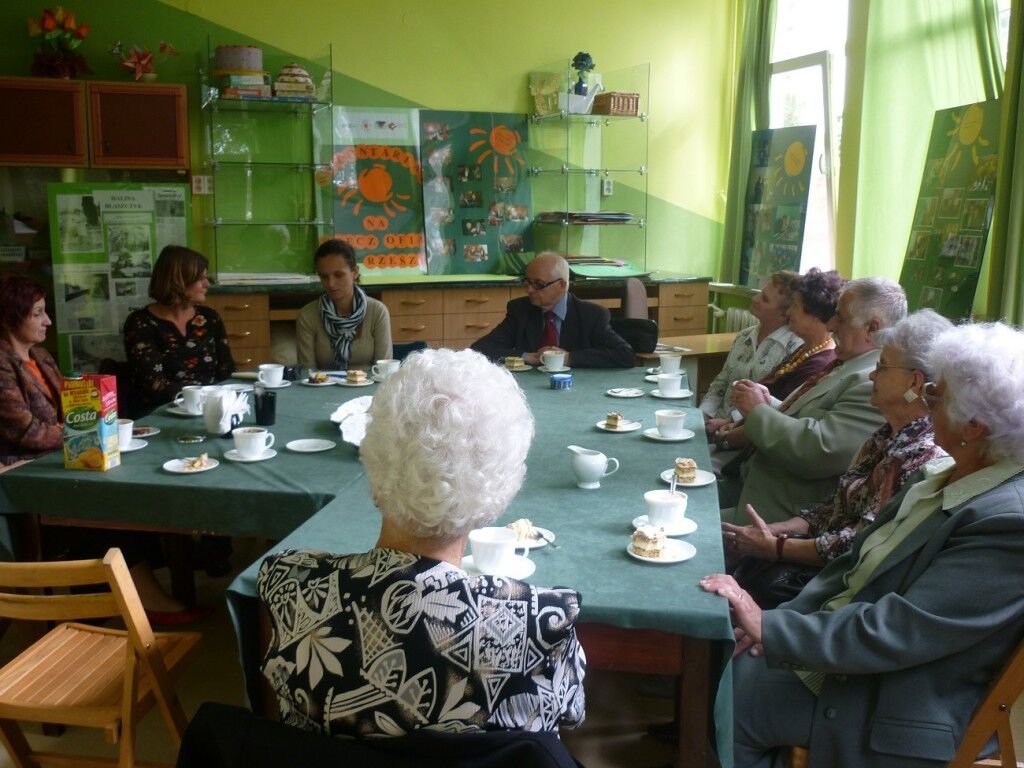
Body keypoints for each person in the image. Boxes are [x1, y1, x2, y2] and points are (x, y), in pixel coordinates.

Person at [701, 321, 1024, 768]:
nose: (927, 405)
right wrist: (777, 622)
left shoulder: (1008, 523)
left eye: (936, 395)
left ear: (974, 425)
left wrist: (772, 629)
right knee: (722, 655)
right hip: (851, 653)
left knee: (730, 695)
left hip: (892, 697)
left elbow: (902, 630)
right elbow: (850, 569)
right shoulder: (944, 474)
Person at [258, 348, 586, 737]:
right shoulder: (544, 621)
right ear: (496, 498)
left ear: (374, 469)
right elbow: (571, 717)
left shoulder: (288, 584)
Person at [723, 310, 952, 607]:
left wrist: (776, 546)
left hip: (834, 591)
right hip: (808, 556)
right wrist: (779, 530)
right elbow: (834, 508)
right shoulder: (886, 434)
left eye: (881, 367)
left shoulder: (919, 453)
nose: (872, 375)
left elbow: (857, 543)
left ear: (915, 383)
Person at [724, 277, 907, 525]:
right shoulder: (848, 364)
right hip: (752, 487)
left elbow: (817, 450)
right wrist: (770, 404)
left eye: (841, 318)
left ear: (872, 328)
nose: (830, 325)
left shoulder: (872, 382)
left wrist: (758, 410)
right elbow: (807, 417)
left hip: (781, 515)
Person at [712, 269, 845, 452]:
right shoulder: (805, 350)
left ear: (814, 316)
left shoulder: (820, 363)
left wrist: (725, 438)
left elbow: (783, 419)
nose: (788, 312)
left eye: (795, 306)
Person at [471, 251, 634, 368]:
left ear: (561, 285)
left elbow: (624, 354)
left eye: (538, 284)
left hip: (577, 389)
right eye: (527, 282)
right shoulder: (520, 310)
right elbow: (479, 349)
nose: (529, 290)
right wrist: (526, 356)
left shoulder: (591, 315)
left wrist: (569, 358)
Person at [123, 246, 234, 414]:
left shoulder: (210, 318)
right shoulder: (140, 323)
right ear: (179, 281)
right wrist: (205, 397)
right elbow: (154, 384)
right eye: (200, 279)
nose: (207, 284)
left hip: (209, 410)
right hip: (160, 414)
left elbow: (227, 371)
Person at [700, 271, 802, 436]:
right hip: (714, 424)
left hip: (744, 431)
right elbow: (721, 383)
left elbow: (774, 404)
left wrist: (729, 422)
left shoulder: (794, 348)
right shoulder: (744, 336)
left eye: (765, 299)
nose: (755, 299)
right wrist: (702, 416)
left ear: (785, 313)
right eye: (760, 293)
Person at [296, 240, 392, 371]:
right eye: (324, 276)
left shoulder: (377, 312)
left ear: (355, 272)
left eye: (338, 275)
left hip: (369, 384)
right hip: (323, 384)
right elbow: (307, 374)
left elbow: (384, 371)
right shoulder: (308, 315)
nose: (331, 283)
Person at [0, 275, 62, 466]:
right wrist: (82, 432)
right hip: (23, 469)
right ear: (9, 319)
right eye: (37, 313)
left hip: (61, 456)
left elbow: (71, 406)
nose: (48, 321)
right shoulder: (2, 363)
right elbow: (27, 432)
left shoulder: (42, 355)